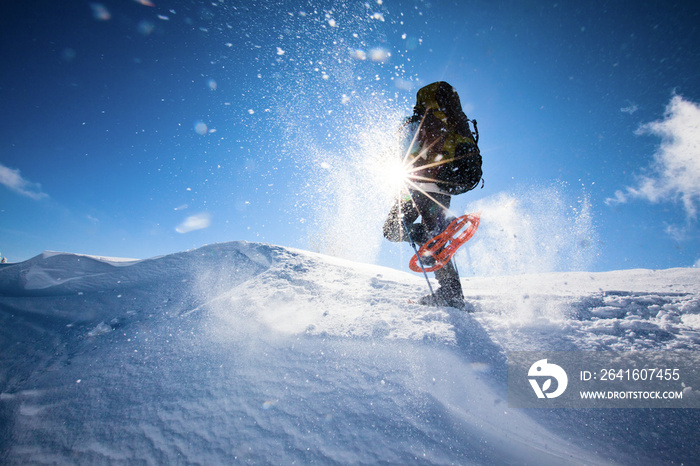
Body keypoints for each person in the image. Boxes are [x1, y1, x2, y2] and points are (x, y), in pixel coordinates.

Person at [383, 81, 481, 309]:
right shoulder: (447, 124)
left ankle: (449, 291)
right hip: (440, 189)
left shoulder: (416, 123)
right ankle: (450, 289)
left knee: (394, 229)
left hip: (416, 188)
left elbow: (402, 156)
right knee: (430, 236)